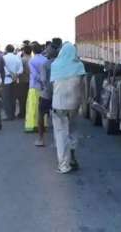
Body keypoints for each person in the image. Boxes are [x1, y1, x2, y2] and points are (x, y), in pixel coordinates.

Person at [50, 42, 85, 173]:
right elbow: (82, 85)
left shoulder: (55, 65)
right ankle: (73, 158)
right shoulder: (79, 66)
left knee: (61, 134)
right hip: (74, 105)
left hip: (59, 105)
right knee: (73, 131)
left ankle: (64, 165)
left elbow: (52, 85)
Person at [36, 39, 62, 146]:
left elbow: (42, 80)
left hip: (46, 94)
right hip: (58, 93)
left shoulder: (45, 64)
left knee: (41, 116)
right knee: (59, 118)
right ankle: (58, 141)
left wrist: (43, 87)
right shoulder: (61, 64)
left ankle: (41, 139)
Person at [25, 42, 47, 134]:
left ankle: (31, 126)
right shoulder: (45, 59)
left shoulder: (32, 61)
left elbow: (34, 74)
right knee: (42, 107)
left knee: (32, 106)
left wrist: (40, 80)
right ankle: (43, 125)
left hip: (34, 86)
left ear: (33, 51)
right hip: (44, 87)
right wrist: (43, 81)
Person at [2, 44, 23, 121]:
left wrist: (10, 75)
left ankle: (9, 115)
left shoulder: (3, 58)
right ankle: (13, 114)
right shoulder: (17, 57)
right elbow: (21, 69)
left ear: (6, 50)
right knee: (13, 98)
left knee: (6, 98)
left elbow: (3, 69)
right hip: (16, 80)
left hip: (6, 80)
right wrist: (16, 74)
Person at [16, 45, 32, 119]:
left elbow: (20, 70)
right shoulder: (32, 59)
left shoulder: (22, 60)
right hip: (31, 81)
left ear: (24, 51)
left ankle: (22, 113)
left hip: (23, 81)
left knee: (22, 98)